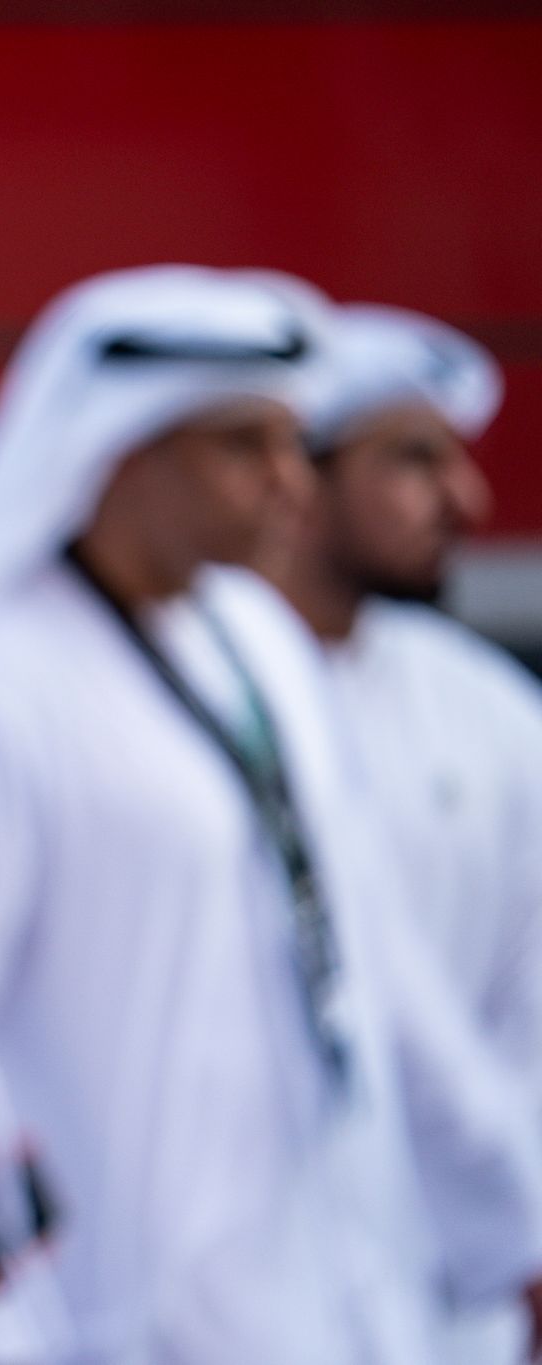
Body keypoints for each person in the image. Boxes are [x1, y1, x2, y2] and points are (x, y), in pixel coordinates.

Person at [0, 264, 542, 1363]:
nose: (289, 481)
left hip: (323, 1289)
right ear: (123, 452)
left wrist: (503, 1214)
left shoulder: (254, 642)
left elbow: (373, 961)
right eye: (246, 445)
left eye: (293, 443)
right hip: (108, 1311)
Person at [258, 303, 542, 1365]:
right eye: (413, 460)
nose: (464, 500)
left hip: (458, 1293)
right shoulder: (186, 704)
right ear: (298, 473)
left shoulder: (491, 712)